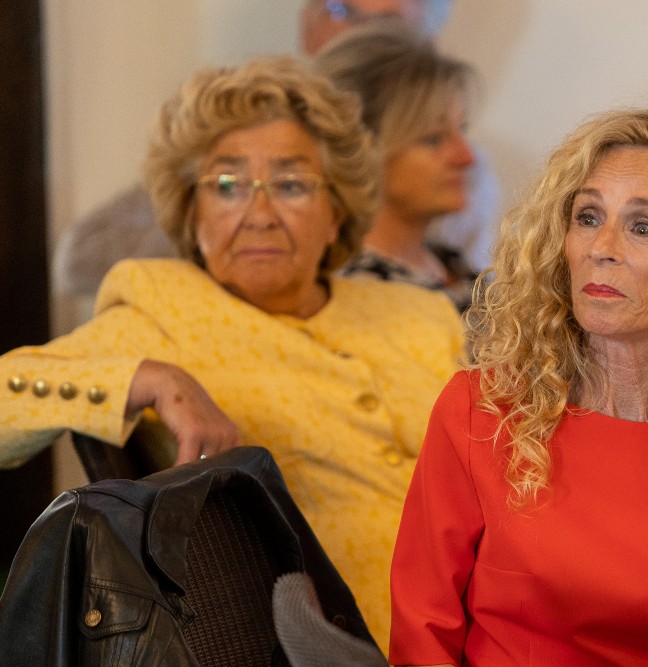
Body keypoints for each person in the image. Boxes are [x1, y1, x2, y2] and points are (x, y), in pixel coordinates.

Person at [0, 56, 464, 653]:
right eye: (226, 186)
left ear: (336, 213)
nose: (260, 215)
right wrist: (147, 378)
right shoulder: (162, 305)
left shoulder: (419, 311)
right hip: (334, 644)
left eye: (291, 185)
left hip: (486, 620)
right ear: (191, 215)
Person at [389, 106, 648, 665]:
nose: (601, 247)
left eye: (643, 227)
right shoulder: (482, 411)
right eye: (588, 217)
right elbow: (421, 633)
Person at [54, 0, 498, 329]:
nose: (261, 215)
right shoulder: (220, 133)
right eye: (341, 10)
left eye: (292, 186)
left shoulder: (464, 224)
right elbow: (79, 259)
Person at [315, 19, 480, 312]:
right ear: (362, 150)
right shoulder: (356, 293)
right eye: (434, 139)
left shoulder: (451, 264)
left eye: (462, 130)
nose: (466, 157)